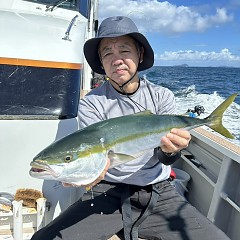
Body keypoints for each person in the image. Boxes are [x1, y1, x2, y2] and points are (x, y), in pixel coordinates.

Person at [31, 16, 230, 240]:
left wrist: (171, 150)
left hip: (158, 189)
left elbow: (165, 158)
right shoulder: (92, 103)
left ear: (140, 55)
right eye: (107, 53)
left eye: (124, 51)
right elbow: (97, 159)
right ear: (101, 63)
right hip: (108, 190)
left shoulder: (161, 97)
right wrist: (83, 175)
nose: (116, 60)